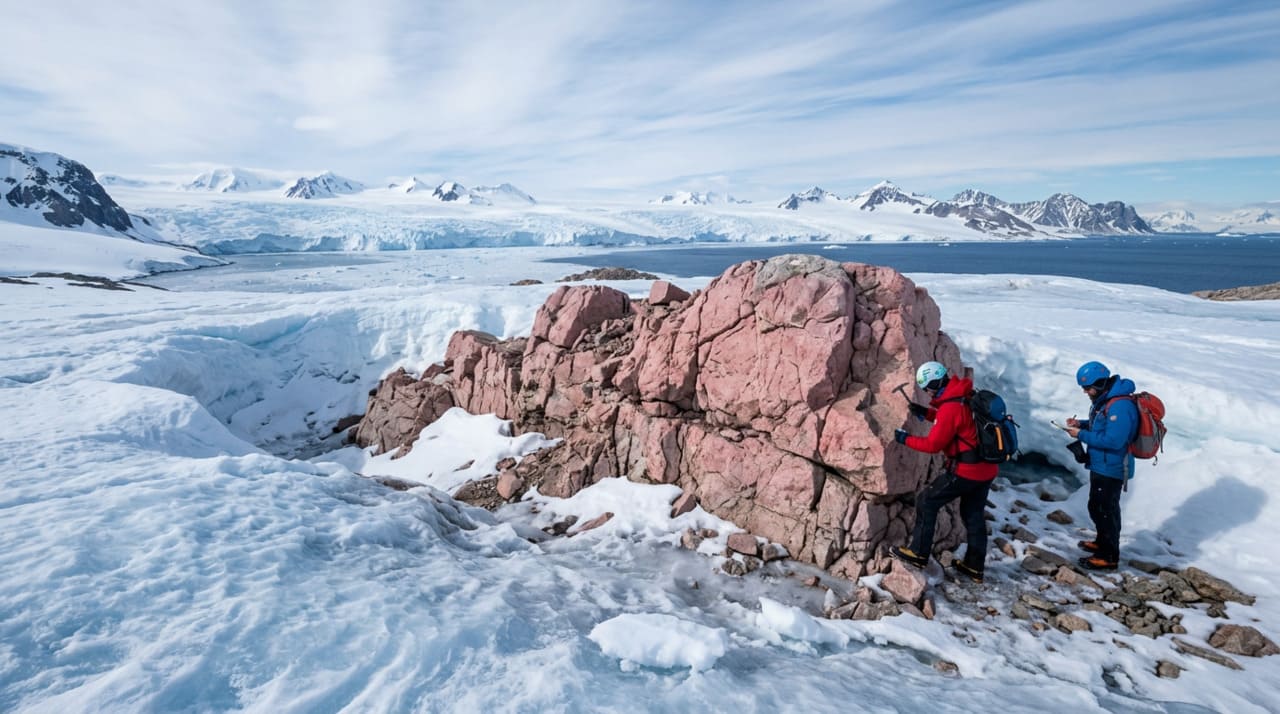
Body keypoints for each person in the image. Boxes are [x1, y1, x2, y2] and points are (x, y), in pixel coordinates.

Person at [889, 361, 999, 583]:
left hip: (966, 471)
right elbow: (958, 424)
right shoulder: (965, 394)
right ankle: (974, 567)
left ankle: (919, 553)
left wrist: (904, 439)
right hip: (986, 469)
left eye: (926, 387)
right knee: (974, 515)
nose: (927, 392)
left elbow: (932, 445)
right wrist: (927, 413)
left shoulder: (950, 408)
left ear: (933, 384)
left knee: (926, 501)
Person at [1065, 361, 1138, 571]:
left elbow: (1114, 440)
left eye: (1088, 388)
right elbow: (1102, 426)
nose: (1086, 392)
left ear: (1101, 383)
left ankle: (1109, 556)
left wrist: (1081, 435)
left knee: (1106, 510)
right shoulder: (1106, 400)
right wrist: (1081, 425)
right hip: (1101, 464)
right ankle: (1102, 542)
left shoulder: (1120, 406)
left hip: (1113, 467)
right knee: (1097, 506)